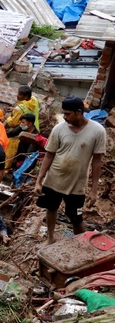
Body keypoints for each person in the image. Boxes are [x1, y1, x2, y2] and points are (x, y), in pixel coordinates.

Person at [34, 96, 106, 244]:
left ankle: (79, 244)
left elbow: (97, 162)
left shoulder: (97, 131)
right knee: (51, 208)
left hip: (77, 184)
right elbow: (49, 155)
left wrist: (93, 190)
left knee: (76, 217)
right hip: (54, 179)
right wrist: (39, 180)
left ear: (79, 112)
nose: (64, 117)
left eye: (67, 114)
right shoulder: (59, 129)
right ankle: (50, 238)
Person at [4, 85, 41, 169]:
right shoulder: (34, 99)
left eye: (20, 94)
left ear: (26, 96)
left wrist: (8, 118)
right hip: (34, 129)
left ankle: (6, 169)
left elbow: (13, 123)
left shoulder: (20, 108)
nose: (17, 95)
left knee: (15, 152)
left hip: (22, 132)